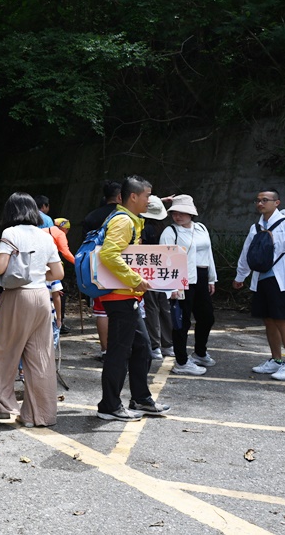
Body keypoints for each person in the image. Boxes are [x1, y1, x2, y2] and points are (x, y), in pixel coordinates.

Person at [0, 192, 64, 427]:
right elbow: (58, 274)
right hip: (41, 297)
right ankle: (41, 415)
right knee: (40, 357)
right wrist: (38, 275)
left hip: (17, 297)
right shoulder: (46, 236)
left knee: (4, 352)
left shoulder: (10, 233)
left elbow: (0, 266)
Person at [96, 176, 171, 421]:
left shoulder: (130, 220)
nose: (150, 200)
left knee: (142, 349)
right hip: (120, 296)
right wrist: (134, 279)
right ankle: (109, 405)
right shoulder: (123, 221)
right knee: (119, 351)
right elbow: (109, 254)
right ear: (134, 197)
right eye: (148, 196)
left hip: (127, 296)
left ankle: (140, 398)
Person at [233, 189, 285, 381]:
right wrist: (240, 275)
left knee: (282, 321)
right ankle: (276, 360)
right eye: (258, 200)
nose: (260, 203)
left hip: (281, 281)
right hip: (262, 280)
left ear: (276, 203)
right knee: (268, 320)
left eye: (265, 200)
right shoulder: (256, 227)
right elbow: (247, 252)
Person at [159, 194, 217, 375]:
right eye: (175, 213)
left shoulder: (201, 228)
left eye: (182, 212)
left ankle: (200, 352)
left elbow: (208, 254)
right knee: (181, 321)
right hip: (182, 279)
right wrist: (172, 285)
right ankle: (182, 362)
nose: (178, 216)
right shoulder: (170, 231)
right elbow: (164, 259)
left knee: (207, 317)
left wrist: (211, 278)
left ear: (191, 213)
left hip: (201, 276)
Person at [82, 181, 122, 361]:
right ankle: (123, 348)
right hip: (123, 264)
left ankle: (106, 351)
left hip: (97, 266)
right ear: (121, 196)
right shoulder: (123, 216)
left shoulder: (92, 216)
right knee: (125, 306)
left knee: (101, 309)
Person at [140, 195, 173, 361]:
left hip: (148, 272)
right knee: (164, 307)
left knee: (151, 308)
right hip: (165, 271)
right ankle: (168, 344)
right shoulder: (166, 228)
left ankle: (155, 345)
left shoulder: (143, 228)